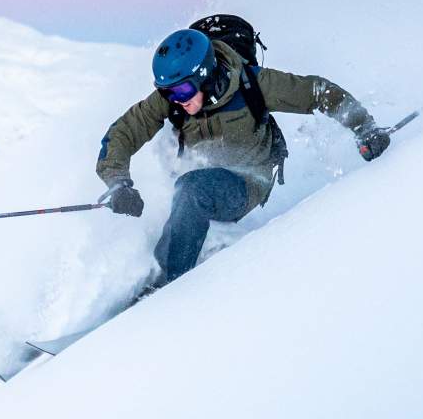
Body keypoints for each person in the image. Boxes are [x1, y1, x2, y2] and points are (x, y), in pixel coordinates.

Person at [96, 24, 389, 290]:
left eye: (183, 89)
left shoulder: (254, 84)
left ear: (205, 75)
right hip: (202, 177)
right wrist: (118, 182)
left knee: (191, 189)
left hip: (248, 181)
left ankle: (168, 288)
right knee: (187, 187)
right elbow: (124, 131)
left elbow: (317, 91)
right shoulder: (175, 97)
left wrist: (365, 128)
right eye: (167, 92)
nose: (177, 99)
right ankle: (173, 259)